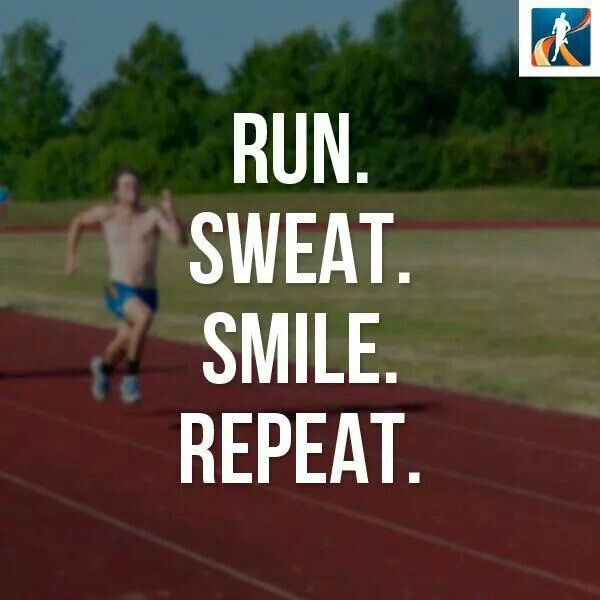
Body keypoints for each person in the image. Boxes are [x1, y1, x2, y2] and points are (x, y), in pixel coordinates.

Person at [65, 167, 187, 404]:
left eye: (135, 184)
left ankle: (104, 368)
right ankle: (130, 380)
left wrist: (172, 213)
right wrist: (71, 255)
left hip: (148, 291)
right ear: (117, 191)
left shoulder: (151, 215)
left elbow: (180, 241)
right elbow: (78, 221)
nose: (132, 188)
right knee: (143, 317)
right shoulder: (107, 214)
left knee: (125, 342)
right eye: (126, 185)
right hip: (118, 288)